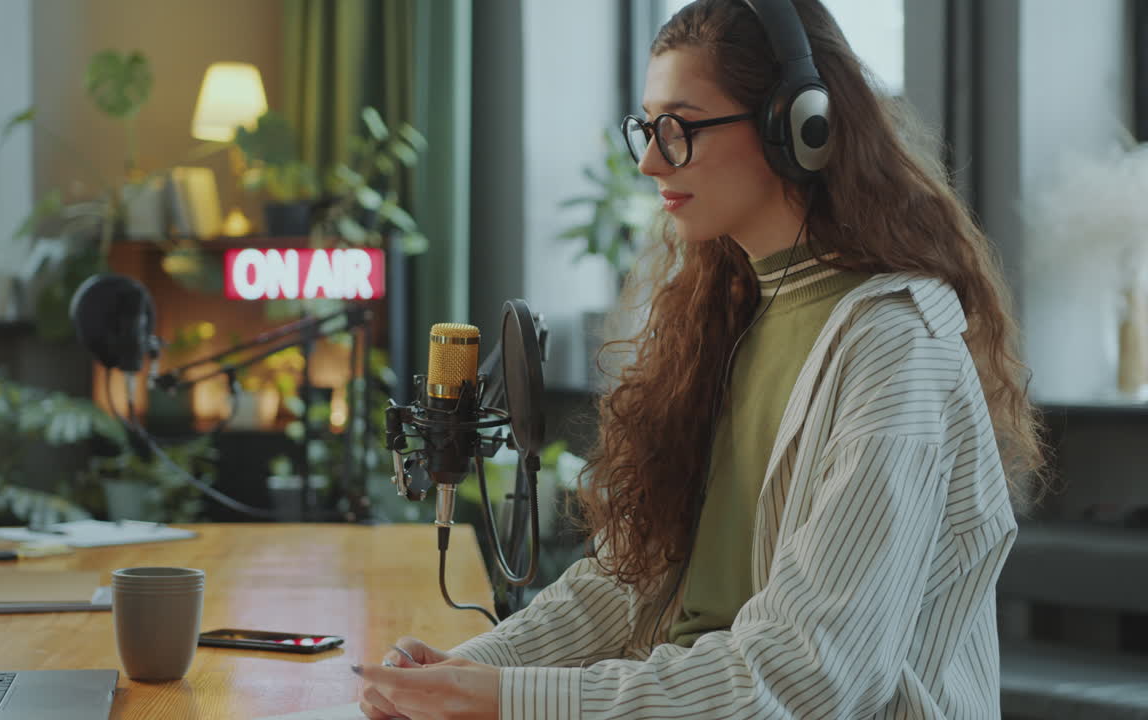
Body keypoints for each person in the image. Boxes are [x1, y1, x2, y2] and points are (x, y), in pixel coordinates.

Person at [354, 0, 1045, 717]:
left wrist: (510, 700)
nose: (652, 159)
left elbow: (808, 676)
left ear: (798, 128)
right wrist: (463, 671)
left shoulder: (897, 349)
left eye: (680, 129)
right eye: (648, 129)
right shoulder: (725, 316)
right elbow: (624, 585)